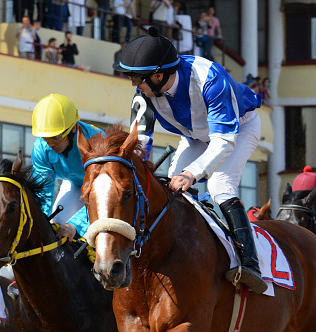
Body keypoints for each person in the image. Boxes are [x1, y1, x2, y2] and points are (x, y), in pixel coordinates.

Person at [113, 28, 267, 294]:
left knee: (220, 186)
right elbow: (139, 148)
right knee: (171, 188)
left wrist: (192, 173)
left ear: (158, 75)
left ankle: (250, 263)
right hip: (195, 135)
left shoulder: (210, 78)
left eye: (137, 78)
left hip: (238, 130)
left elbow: (223, 142)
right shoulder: (144, 95)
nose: (134, 86)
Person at [30, 93, 103, 241]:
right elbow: (43, 195)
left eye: (56, 137)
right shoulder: (41, 148)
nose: (51, 144)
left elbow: (103, 194)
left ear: (74, 129)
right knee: (57, 226)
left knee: (88, 233)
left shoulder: (97, 144)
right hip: (75, 184)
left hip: (103, 189)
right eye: (46, 138)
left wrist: (75, 226)